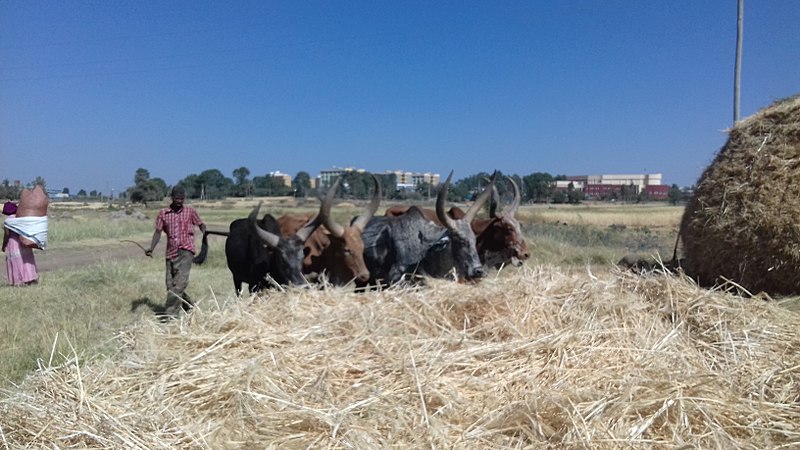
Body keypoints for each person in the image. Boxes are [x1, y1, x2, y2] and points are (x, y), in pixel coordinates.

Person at [145, 186, 206, 316]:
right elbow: (157, 232)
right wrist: (151, 248)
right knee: (170, 286)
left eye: (182, 199)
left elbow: (201, 224)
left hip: (186, 251)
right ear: (172, 198)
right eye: (177, 198)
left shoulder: (190, 212)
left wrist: (205, 232)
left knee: (179, 285)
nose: (179, 201)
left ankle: (171, 316)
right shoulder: (163, 213)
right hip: (171, 252)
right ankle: (189, 306)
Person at [2, 201, 39, 286]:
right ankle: (30, 278)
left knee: (16, 261)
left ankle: (18, 280)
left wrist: (4, 245)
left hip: (13, 242)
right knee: (26, 260)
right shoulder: (21, 219)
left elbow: (7, 234)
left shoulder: (8, 221)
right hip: (24, 242)